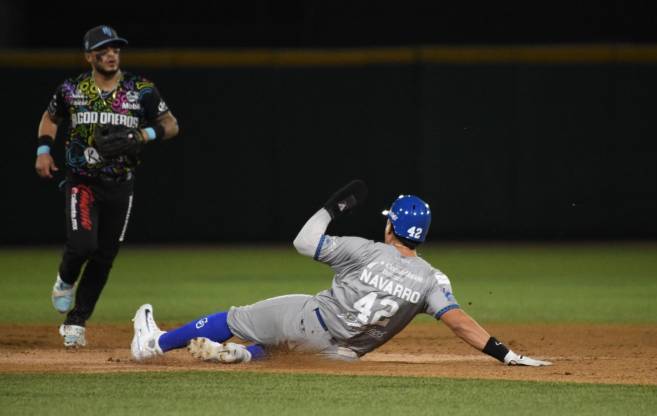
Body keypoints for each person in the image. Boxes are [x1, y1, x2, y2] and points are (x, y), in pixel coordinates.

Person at [130, 181, 551, 367]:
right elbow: (459, 322)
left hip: (310, 320)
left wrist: (333, 207)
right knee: (285, 353)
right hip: (340, 357)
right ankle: (244, 356)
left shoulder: (363, 250)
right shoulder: (431, 279)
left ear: (390, 227)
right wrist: (504, 353)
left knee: (234, 318)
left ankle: (153, 344)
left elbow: (302, 241)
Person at [36, 25, 179, 348]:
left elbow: (171, 125)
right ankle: (66, 278)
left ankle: (76, 322)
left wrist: (144, 135)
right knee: (83, 246)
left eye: (115, 48)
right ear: (90, 56)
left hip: (121, 185)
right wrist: (43, 150)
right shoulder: (72, 89)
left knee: (104, 256)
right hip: (82, 181)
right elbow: (50, 118)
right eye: (103, 49)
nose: (111, 54)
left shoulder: (139, 89)